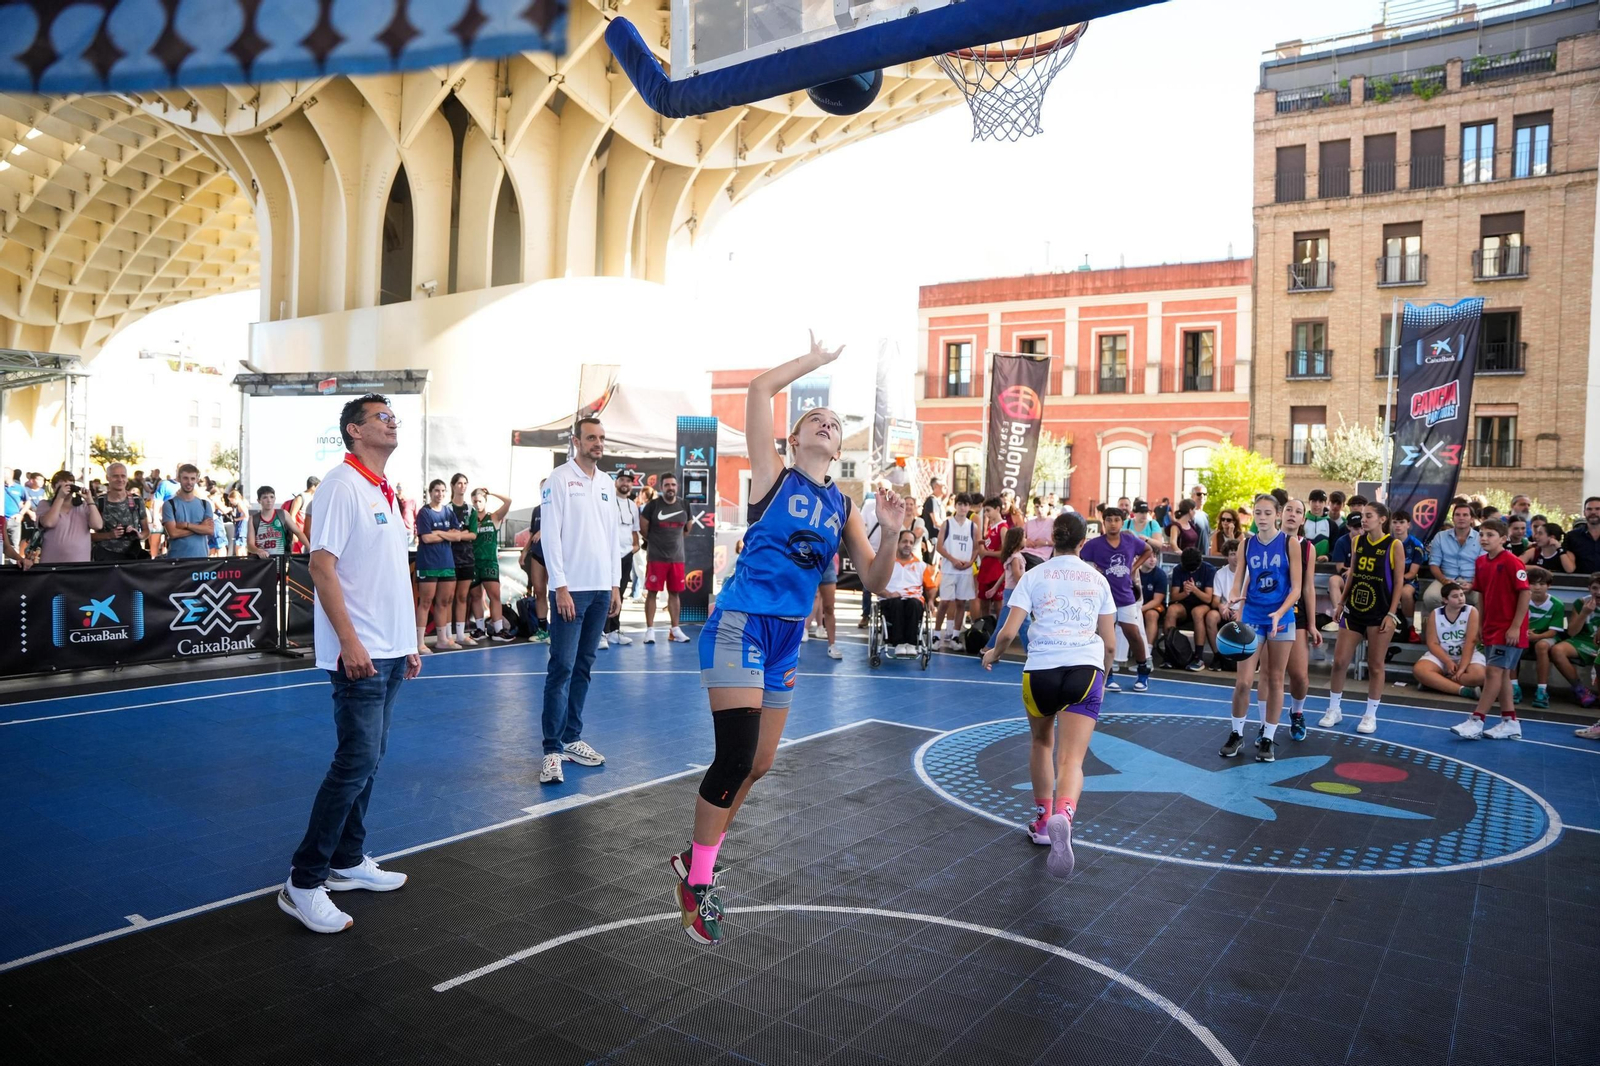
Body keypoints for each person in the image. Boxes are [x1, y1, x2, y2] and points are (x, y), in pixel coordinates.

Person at [675, 333, 907, 946]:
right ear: (794, 438)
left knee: (760, 762)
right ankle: (697, 884)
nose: (827, 424)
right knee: (734, 754)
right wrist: (819, 362)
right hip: (740, 624)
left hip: (785, 640)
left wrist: (890, 535)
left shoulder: (843, 505)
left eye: (834, 422)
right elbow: (758, 390)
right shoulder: (771, 478)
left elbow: (879, 583)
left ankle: (699, 853)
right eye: (816, 419)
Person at [279, 393, 418, 935]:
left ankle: (346, 860)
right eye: (381, 417)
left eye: (392, 416)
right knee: (354, 762)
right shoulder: (341, 484)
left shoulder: (379, 488)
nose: (392, 422)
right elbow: (321, 566)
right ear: (355, 431)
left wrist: (407, 640)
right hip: (359, 654)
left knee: (370, 758)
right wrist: (350, 643)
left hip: (388, 648)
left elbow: (384, 576)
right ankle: (304, 880)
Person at [981, 511, 1115, 880]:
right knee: (1072, 759)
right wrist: (1104, 672)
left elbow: (1007, 633)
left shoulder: (1034, 575)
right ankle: (1065, 815)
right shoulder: (1098, 579)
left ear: (1052, 539)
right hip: (1085, 670)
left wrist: (992, 654)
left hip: (1040, 670)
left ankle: (1042, 824)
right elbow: (1111, 641)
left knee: (1042, 743)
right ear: (1083, 541)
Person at [539, 417, 621, 785]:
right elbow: (550, 536)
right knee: (561, 669)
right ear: (576, 441)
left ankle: (572, 738)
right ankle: (552, 750)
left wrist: (615, 585)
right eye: (591, 438)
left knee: (584, 668)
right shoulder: (559, 479)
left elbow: (612, 538)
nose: (598, 443)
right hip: (571, 591)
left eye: (602, 438)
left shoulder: (606, 483)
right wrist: (560, 586)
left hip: (601, 590)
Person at [1221, 494, 1302, 760]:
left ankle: (1268, 737)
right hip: (1253, 616)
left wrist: (1280, 612)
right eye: (1258, 513)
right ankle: (1236, 734)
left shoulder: (1290, 543)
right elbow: (1238, 579)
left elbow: (1297, 588)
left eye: (1268, 513)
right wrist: (1233, 598)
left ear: (1277, 514)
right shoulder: (1246, 544)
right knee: (1243, 681)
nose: (1262, 518)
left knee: (1276, 679)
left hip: (1281, 618)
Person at [1320, 501, 1405, 735]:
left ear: (1382, 519)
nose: (1363, 519)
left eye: (1368, 516)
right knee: (1339, 662)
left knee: (1376, 666)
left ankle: (1370, 714)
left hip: (1380, 612)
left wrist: (1391, 613)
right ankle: (1334, 709)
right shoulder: (1357, 541)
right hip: (1355, 608)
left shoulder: (1394, 545)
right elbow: (1353, 575)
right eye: (1362, 515)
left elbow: (1399, 582)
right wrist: (1341, 602)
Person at [1451, 520, 1530, 740]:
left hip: (1509, 629)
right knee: (1502, 674)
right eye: (1482, 534)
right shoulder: (1481, 562)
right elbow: (1482, 594)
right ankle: (1510, 721)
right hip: (1492, 627)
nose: (1484, 538)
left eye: (1491, 535)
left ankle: (1476, 720)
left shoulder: (1513, 562)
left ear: (1503, 539)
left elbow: (1525, 594)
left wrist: (1515, 627)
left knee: (1493, 672)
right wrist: (1481, 625)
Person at [1079, 506, 1154, 692]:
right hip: (1104, 599)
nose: (1113, 523)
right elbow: (1079, 559)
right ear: (1103, 522)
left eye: (1116, 520)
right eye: (1109, 520)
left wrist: (1133, 567)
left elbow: (1148, 549)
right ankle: (1108, 675)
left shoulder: (1129, 540)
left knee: (1133, 634)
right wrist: (1092, 571)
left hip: (1125, 596)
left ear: (1123, 521)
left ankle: (1143, 672)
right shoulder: (1094, 544)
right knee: (1106, 638)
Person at [1280, 499, 1322, 736]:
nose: (1293, 515)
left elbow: (1308, 587)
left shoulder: (1308, 548)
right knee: (1269, 676)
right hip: (1268, 613)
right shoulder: (1266, 541)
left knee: (1299, 675)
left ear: (1303, 519)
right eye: (1289, 510)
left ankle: (1297, 713)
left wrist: (1313, 624)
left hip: (1296, 614)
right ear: (1280, 514)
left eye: (1298, 512)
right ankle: (1267, 724)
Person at [414, 480, 469, 653]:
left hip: (447, 563)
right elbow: (426, 538)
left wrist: (438, 533)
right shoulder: (424, 513)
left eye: (443, 491)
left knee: (444, 602)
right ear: (430, 492)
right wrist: (446, 535)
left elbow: (458, 536)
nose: (440, 494)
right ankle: (419, 643)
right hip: (428, 563)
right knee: (425, 602)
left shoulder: (448, 511)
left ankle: (442, 639)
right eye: (436, 490)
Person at [640, 473, 692, 644]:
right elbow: (643, 529)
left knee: (675, 593)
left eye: (673, 485)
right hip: (656, 557)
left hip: (677, 558)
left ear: (677, 487)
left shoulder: (684, 504)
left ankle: (675, 630)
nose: (670, 488)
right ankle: (649, 630)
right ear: (661, 487)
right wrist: (657, 542)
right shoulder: (653, 506)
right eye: (667, 485)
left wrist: (673, 542)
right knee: (652, 593)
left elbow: (686, 529)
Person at [1413, 583, 1486, 698]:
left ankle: (1437, 683)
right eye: (1455, 596)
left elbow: (1470, 642)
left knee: (1480, 676)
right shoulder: (1436, 614)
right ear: (1445, 600)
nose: (1460, 599)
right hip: (1443, 655)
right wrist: (1448, 661)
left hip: (1468, 654)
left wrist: (1462, 667)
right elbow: (1432, 643)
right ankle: (1462, 690)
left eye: (1462, 595)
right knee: (1419, 670)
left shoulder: (1471, 611)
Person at [879, 528, 939, 656]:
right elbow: (875, 586)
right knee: (896, 603)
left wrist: (931, 600)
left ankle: (911, 644)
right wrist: (888, 594)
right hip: (890, 600)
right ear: (897, 543)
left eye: (911, 542)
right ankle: (899, 643)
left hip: (913, 600)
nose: (908, 545)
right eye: (905, 541)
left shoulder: (921, 565)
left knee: (914, 604)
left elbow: (931, 587)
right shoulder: (886, 563)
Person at [600, 470, 641, 649]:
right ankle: (600, 633)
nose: (625, 483)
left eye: (629, 481)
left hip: (625, 555)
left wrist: (635, 546)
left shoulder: (633, 505)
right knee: (604, 593)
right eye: (622, 480)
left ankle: (613, 631)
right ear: (616, 482)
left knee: (620, 593)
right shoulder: (607, 502)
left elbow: (634, 531)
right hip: (608, 555)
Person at [469, 488, 513, 641]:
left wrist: (492, 492)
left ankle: (499, 630)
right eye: (474, 501)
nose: (477, 503)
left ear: (485, 501)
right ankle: (480, 629)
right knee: (475, 596)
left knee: (494, 595)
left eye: (480, 500)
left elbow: (508, 501)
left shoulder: (493, 517)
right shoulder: (470, 519)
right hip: (473, 562)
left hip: (489, 562)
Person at [1551, 572, 1600, 711]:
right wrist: (1584, 613)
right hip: (1583, 639)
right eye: (1595, 588)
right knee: (1557, 650)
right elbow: (1572, 632)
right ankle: (1580, 690)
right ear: (1589, 588)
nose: (1598, 592)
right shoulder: (1581, 602)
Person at [934, 493, 978, 648]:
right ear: (955, 505)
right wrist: (953, 560)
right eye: (960, 504)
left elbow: (977, 547)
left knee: (961, 603)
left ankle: (955, 636)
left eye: (966, 504)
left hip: (965, 570)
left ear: (969, 507)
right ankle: (936, 635)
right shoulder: (947, 524)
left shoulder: (973, 526)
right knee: (945, 602)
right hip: (949, 568)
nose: (963, 507)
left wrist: (970, 562)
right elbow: (939, 546)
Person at [1164, 546, 1215, 670]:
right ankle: (1170, 653)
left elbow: (1208, 598)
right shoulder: (1178, 570)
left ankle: (1199, 657)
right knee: (1171, 610)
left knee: (1197, 612)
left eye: (1194, 570)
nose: (1191, 572)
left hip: (1203, 604)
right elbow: (1174, 596)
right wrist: (1185, 593)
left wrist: (1194, 589)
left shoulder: (1209, 570)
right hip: (1184, 603)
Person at [35, 470, 102, 563]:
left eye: (70, 486)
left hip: (79, 563)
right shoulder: (45, 504)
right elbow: (49, 523)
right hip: (52, 564)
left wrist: (89, 500)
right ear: (54, 487)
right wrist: (60, 497)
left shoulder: (83, 506)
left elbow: (98, 525)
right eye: (62, 487)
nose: (67, 490)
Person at [1425, 502, 1482, 612]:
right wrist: (1444, 581)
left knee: (1484, 598)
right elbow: (1434, 564)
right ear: (1453, 518)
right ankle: (1447, 624)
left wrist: (1473, 584)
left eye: (1465, 515)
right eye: (1457, 515)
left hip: (1473, 581)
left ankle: (1476, 628)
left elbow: (1483, 566)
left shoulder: (1481, 538)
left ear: (1472, 519)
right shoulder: (1440, 537)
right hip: (1447, 579)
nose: (1461, 518)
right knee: (1430, 597)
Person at [445, 474, 479, 647]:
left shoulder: (471, 510)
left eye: (465, 483)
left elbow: (473, 534)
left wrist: (457, 535)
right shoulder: (446, 508)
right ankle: (446, 635)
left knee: (462, 597)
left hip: (467, 558)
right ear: (453, 486)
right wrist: (459, 535)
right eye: (459, 483)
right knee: (447, 597)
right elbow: (446, 534)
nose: (463, 486)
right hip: (449, 558)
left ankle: (460, 634)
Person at [984, 526, 1031, 652]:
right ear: (1018, 540)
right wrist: (1030, 582)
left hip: (1012, 592)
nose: (1026, 539)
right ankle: (987, 649)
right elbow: (1016, 576)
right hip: (1015, 593)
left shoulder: (1014, 556)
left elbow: (1005, 574)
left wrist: (995, 588)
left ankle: (1030, 650)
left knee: (1023, 625)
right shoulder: (1015, 557)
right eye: (1024, 537)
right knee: (1012, 624)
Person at [90, 462, 149, 562]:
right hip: (106, 557)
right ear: (107, 477)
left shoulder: (137, 501)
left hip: (132, 556)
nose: (120, 480)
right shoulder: (98, 502)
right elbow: (87, 536)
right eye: (115, 476)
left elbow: (146, 531)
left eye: (123, 476)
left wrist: (138, 535)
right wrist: (110, 535)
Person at [1525, 567, 1565, 709]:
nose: (1537, 587)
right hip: (1525, 636)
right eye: (1533, 583)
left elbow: (1553, 632)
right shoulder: (1521, 600)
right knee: (1513, 642)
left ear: (1549, 586)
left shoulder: (1557, 604)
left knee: (1541, 646)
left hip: (1545, 637)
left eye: (1542, 584)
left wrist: (1537, 636)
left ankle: (1541, 690)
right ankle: (1513, 687)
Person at [518, 479, 551, 643]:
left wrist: (545, 531)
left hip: (554, 555)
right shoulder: (537, 510)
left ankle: (558, 631)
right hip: (538, 554)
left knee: (556, 592)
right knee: (539, 591)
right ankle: (542, 629)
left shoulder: (560, 506)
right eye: (542, 488)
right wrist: (524, 551)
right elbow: (532, 533)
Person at [160, 465, 213, 560]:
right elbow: (173, 533)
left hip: (202, 560)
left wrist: (186, 525)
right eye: (185, 478)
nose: (189, 482)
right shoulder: (169, 505)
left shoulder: (205, 504)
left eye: (192, 478)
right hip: (177, 561)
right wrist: (200, 527)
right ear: (179, 479)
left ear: (197, 480)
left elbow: (210, 530)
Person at [1391, 509, 1426, 637]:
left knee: (1405, 593)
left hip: (1408, 581)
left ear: (1408, 525)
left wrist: (1397, 581)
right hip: (1388, 580)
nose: (1398, 525)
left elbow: (1412, 572)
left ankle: (1410, 627)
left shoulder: (1416, 545)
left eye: (1401, 522)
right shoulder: (1386, 542)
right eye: (1395, 522)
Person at [974, 496, 1008, 621]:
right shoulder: (991, 526)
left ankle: (998, 633)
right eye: (985, 511)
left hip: (996, 570)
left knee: (998, 604)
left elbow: (1005, 552)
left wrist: (986, 553)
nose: (986, 514)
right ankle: (985, 630)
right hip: (986, 568)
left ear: (997, 509)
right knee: (984, 602)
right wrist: (983, 543)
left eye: (988, 510)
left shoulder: (1003, 527)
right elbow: (991, 544)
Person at [248, 486, 307, 559]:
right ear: (259, 500)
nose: (269, 500)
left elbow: (298, 532)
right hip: (262, 563)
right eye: (265, 497)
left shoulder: (283, 514)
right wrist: (258, 551)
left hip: (281, 560)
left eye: (271, 497)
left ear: (275, 499)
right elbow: (250, 545)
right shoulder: (253, 519)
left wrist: (310, 548)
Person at [1138, 553, 1168, 651]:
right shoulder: (1133, 572)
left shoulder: (1160, 574)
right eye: (1149, 556)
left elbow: (1157, 601)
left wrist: (1139, 609)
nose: (1152, 560)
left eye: (1154, 557)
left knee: (1151, 615)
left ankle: (1147, 650)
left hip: (1154, 606)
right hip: (1135, 604)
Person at [1562, 499, 1600, 574]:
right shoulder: (1572, 536)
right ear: (1584, 513)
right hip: (1579, 582)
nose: (1593, 512)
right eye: (1589, 509)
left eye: (1598, 509)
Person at [286, 475, 319, 552]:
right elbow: (292, 515)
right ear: (313, 486)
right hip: (299, 530)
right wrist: (294, 533)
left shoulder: (314, 498)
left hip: (308, 530)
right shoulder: (301, 497)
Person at [3, 468, 27, 559]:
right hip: (2, 520)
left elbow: (27, 502)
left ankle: (14, 568)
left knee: (13, 546)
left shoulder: (19, 488)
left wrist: (21, 514)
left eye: (4, 473)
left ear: (11, 474)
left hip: (14, 520)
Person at [1303, 488, 1333, 558]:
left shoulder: (1331, 524)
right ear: (1309, 502)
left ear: (1325, 503)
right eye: (1314, 501)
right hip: (1303, 563)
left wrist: (1328, 556)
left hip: (1325, 566)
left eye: (1320, 501)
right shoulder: (1302, 521)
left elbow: (1335, 545)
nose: (1317, 504)